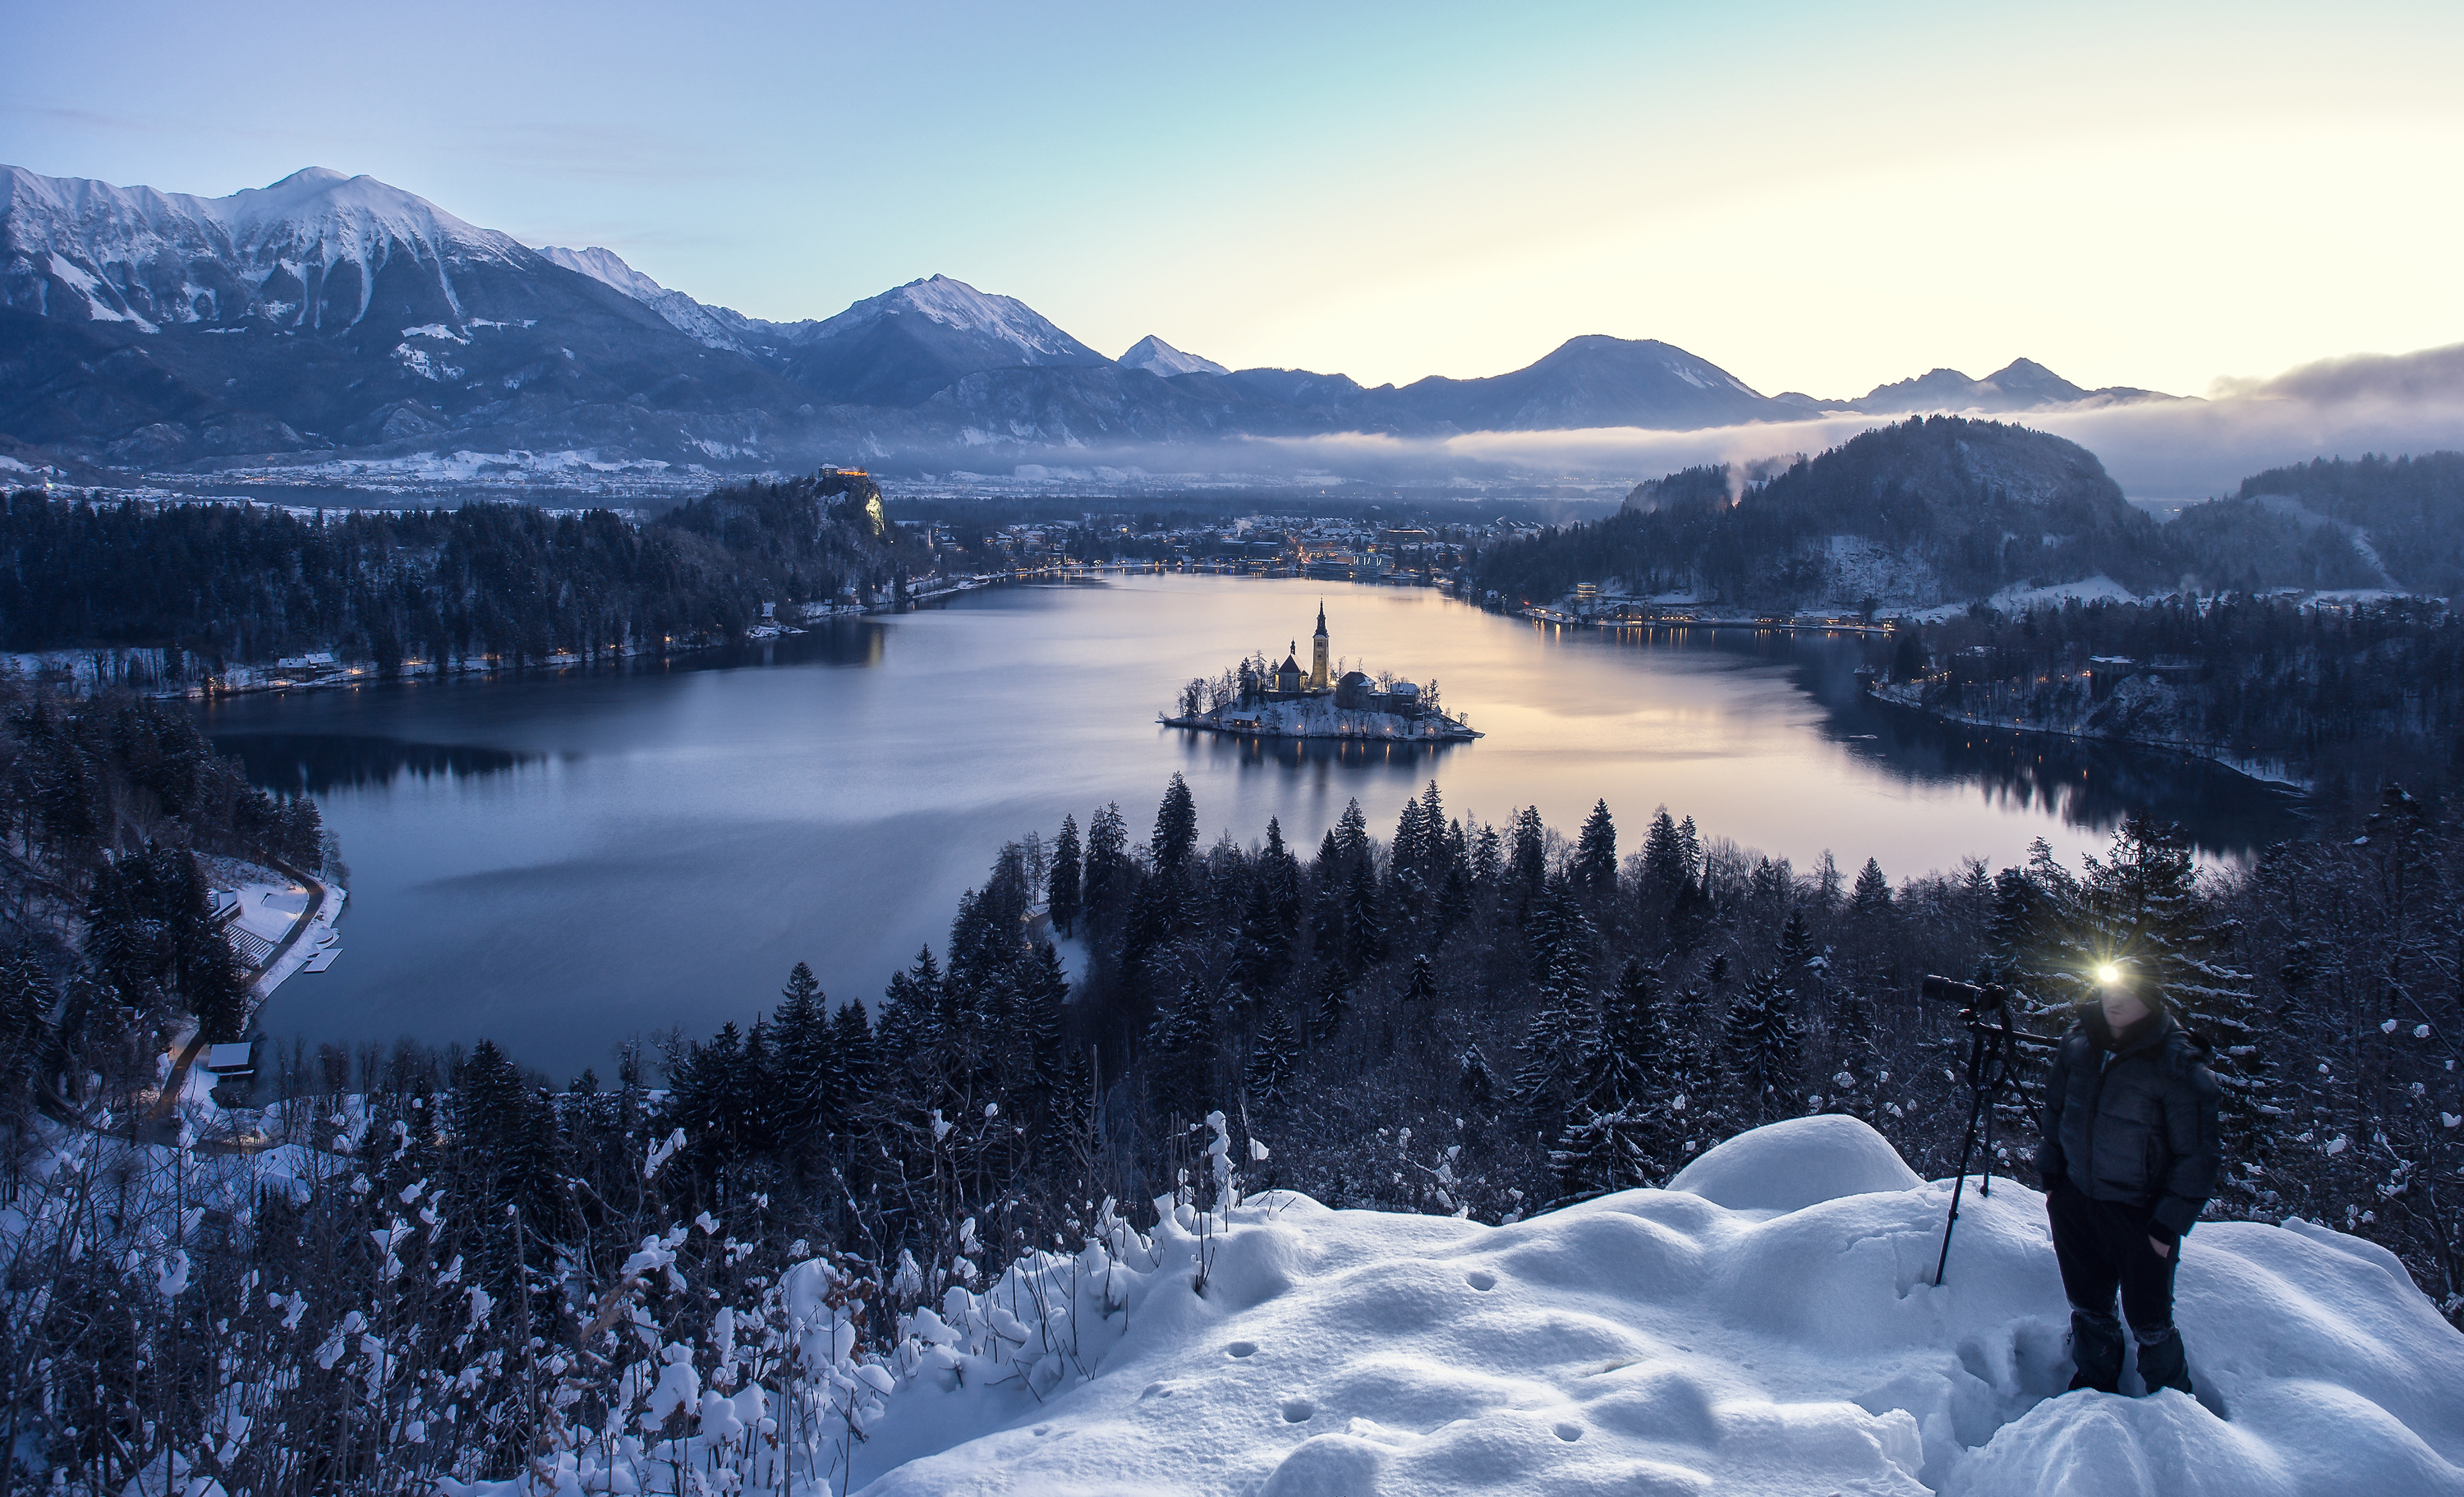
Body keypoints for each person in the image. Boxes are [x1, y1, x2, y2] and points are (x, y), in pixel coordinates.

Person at [2035, 962, 2221, 1396]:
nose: (2114, 1001)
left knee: (2150, 1320)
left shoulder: (2177, 1065)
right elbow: (2055, 1111)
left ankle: (2173, 1402)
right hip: (2077, 1199)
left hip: (2141, 1214)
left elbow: (2199, 1157)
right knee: (2087, 1303)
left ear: (2150, 999)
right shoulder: (2079, 1043)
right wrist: (2053, 1179)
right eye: (2109, 989)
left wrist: (2165, 1225)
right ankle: (2095, 1385)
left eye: (2129, 993)